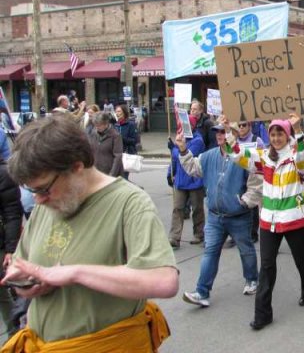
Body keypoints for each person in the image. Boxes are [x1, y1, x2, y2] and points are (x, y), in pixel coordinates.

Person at [1, 115, 178, 351]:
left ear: (76, 166)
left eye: (44, 189)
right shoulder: (48, 204)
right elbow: (21, 264)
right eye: (32, 190)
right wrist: (26, 280)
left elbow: (163, 281)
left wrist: (73, 273)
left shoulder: (130, 203)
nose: (38, 200)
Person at [221, 113, 304, 331]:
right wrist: (228, 131)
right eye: (273, 134)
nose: (276, 138)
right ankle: (262, 314)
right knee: (266, 267)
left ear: (287, 134)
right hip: (269, 221)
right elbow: (235, 154)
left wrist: (299, 129)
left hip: (295, 220)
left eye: (280, 133)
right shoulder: (263, 157)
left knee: (302, 259)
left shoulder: (297, 155)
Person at [176, 123, 258, 307]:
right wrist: (183, 149)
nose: (219, 135)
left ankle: (252, 279)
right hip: (214, 216)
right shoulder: (209, 155)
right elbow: (193, 168)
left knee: (246, 250)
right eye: (217, 132)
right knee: (210, 252)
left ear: (234, 134)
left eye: (224, 131)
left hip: (238, 215)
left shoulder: (245, 156)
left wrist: (244, 201)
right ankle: (202, 292)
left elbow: (256, 182)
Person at [223, 121, 265, 248]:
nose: (241, 127)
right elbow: (234, 153)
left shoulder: (256, 140)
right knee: (237, 205)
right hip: (237, 176)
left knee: (252, 207)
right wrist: (228, 134)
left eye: (244, 125)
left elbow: (258, 159)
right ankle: (236, 235)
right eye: (239, 125)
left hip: (252, 177)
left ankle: (253, 234)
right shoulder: (235, 141)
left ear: (250, 126)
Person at [168, 115, 205, 248]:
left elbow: (183, 155)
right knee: (177, 208)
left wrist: (174, 148)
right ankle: (174, 237)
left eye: (187, 124)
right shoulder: (179, 137)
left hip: (194, 180)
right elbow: (174, 161)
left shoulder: (198, 140)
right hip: (180, 180)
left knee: (197, 209)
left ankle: (199, 234)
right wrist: (169, 173)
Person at [0, 158, 23, 343]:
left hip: (1, 245)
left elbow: (13, 213)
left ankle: (12, 337)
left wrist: (10, 248)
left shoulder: (4, 173)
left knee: (3, 294)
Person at [88, 112, 124, 178]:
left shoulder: (115, 136)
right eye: (95, 125)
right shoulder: (93, 133)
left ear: (106, 124)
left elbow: (118, 156)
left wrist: (112, 174)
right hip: (97, 171)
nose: (97, 127)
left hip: (110, 171)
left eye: (99, 125)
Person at [114, 104, 138, 180]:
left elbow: (134, 141)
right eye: (116, 111)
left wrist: (121, 137)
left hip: (125, 155)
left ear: (124, 112)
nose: (117, 113)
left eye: (119, 111)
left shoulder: (131, 124)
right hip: (115, 155)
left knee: (123, 178)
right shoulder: (115, 125)